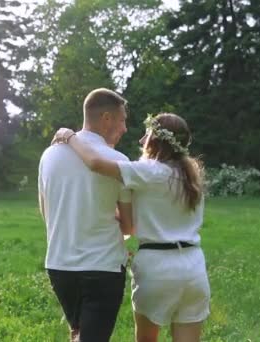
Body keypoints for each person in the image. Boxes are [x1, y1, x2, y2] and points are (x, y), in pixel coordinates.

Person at [53, 113, 210, 342]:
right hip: (194, 267)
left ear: (156, 141)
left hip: (158, 267)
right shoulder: (191, 178)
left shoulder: (149, 171)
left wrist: (70, 136)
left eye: (147, 134)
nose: (141, 140)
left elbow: (95, 164)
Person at [38, 88, 134, 342]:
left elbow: (45, 210)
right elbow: (128, 226)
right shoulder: (119, 161)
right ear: (106, 118)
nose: (125, 128)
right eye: (122, 119)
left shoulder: (48, 156)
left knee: (79, 334)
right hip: (102, 268)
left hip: (59, 266)